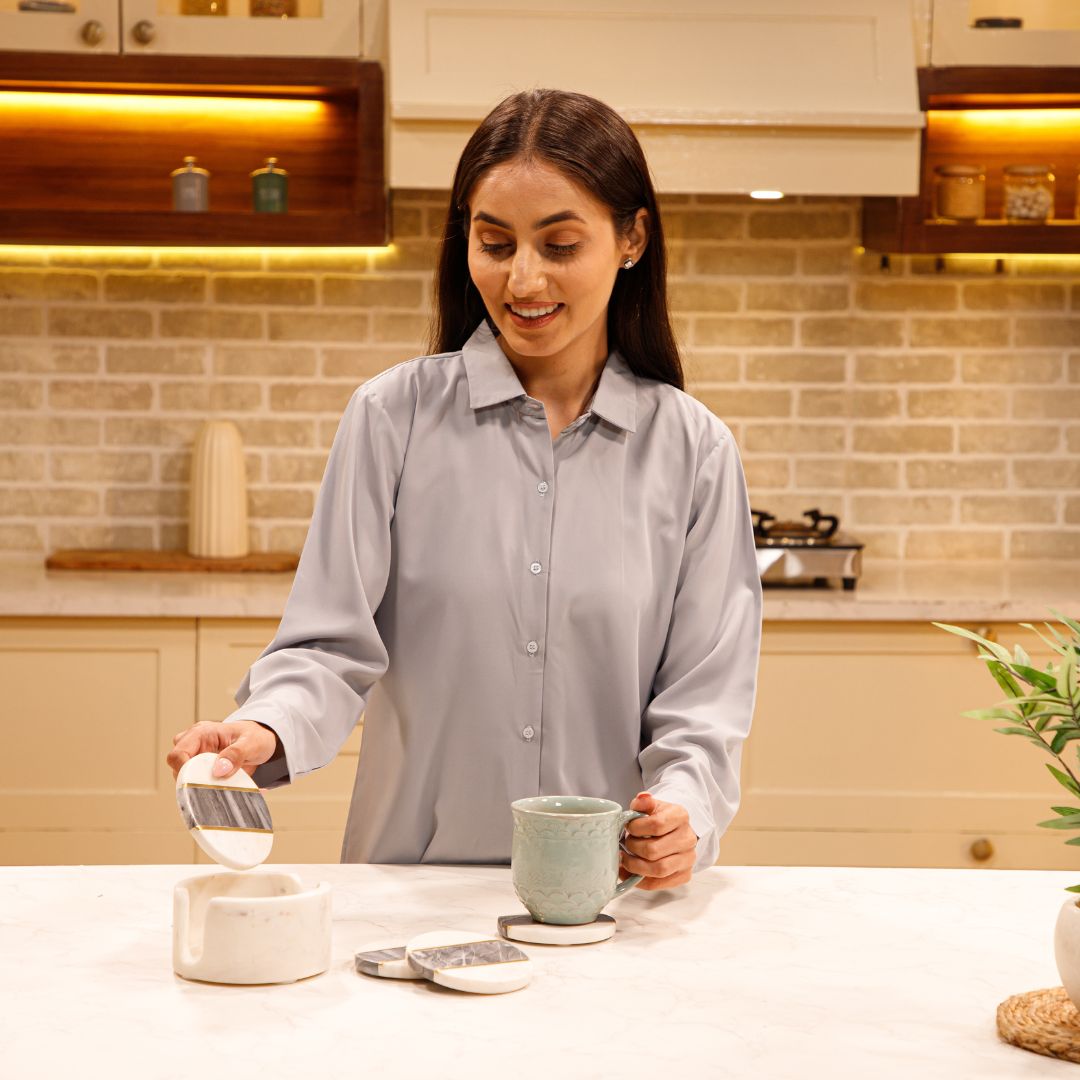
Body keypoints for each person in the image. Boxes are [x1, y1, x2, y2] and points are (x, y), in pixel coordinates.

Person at [167, 88, 763, 892]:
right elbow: (327, 647)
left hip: (607, 902)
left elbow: (704, 702)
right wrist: (261, 730)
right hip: (409, 895)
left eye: (559, 244)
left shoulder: (695, 451)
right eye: (495, 242)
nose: (523, 279)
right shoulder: (391, 418)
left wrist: (684, 810)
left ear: (631, 239)